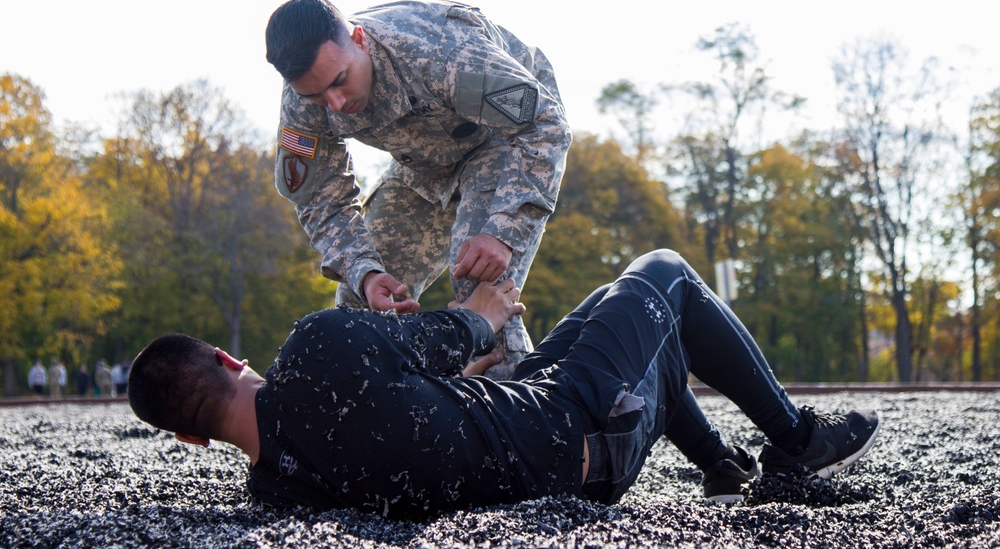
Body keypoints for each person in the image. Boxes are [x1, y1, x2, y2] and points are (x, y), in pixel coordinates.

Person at [128, 249, 880, 517]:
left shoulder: (276, 494)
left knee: (614, 324)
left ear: (191, 436)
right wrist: (480, 312)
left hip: (559, 462)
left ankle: (721, 465)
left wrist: (461, 377)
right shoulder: (312, 348)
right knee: (664, 276)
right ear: (229, 361)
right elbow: (458, 326)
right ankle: (796, 443)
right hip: (575, 427)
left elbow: (394, 438)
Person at [264, 0, 573, 378]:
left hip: (503, 139)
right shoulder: (303, 100)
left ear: (359, 38)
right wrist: (365, 272)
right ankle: (383, 427)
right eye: (316, 95)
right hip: (423, 163)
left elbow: (545, 124)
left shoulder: (438, 50)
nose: (336, 102)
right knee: (362, 309)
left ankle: (523, 419)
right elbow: (319, 199)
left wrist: (505, 231)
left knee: (480, 292)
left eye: (340, 81)